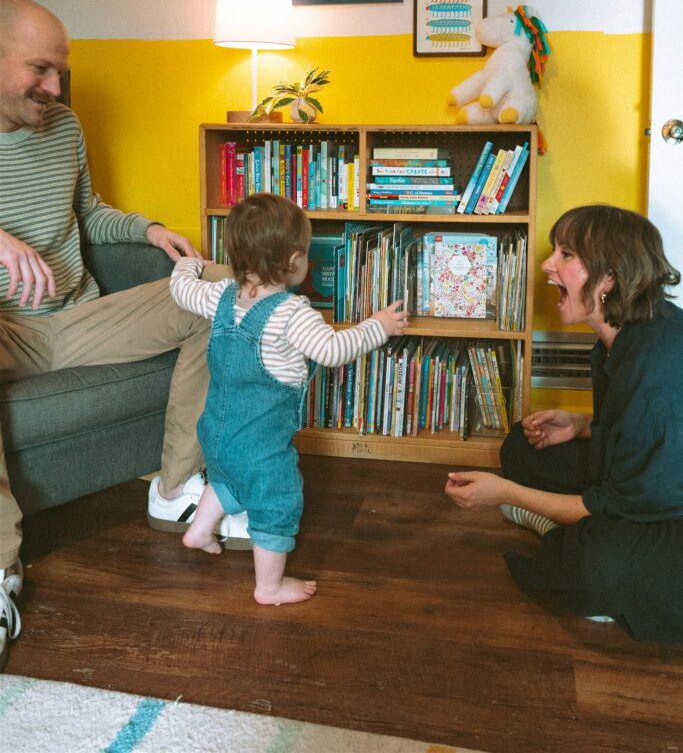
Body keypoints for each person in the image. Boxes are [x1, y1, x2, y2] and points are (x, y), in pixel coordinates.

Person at [0, 0, 240, 671]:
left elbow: (88, 211)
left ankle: (174, 489)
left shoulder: (63, 127)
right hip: (6, 330)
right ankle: (0, 571)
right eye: (39, 70)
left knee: (220, 289)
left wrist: (148, 230)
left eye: (60, 73)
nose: (53, 88)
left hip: (76, 320)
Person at [445, 204, 683, 643]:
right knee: (521, 446)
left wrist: (508, 494)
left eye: (566, 254)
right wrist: (580, 425)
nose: (546, 265)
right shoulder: (625, 336)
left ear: (609, 277)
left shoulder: (657, 362)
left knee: (594, 567)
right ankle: (565, 526)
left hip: (667, 515)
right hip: (644, 483)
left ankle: (567, 537)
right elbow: (639, 434)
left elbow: (621, 497)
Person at [170, 192, 408, 605]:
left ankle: (199, 530)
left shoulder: (221, 296)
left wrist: (188, 263)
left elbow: (182, 289)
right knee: (276, 499)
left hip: (215, 432)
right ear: (294, 260)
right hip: (261, 444)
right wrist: (379, 326)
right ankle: (270, 587)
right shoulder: (292, 313)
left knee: (227, 478)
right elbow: (333, 350)